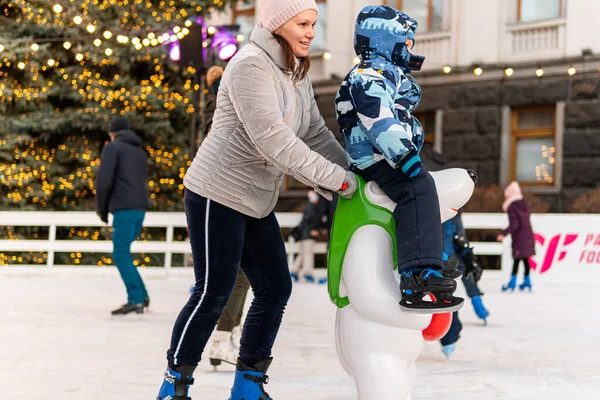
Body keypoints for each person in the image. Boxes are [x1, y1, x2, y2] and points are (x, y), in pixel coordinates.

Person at [156, 1, 357, 398]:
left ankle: (247, 385)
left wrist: (357, 172)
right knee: (214, 290)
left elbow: (314, 132)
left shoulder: (295, 70)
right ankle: (174, 385)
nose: (310, 32)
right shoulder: (250, 65)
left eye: (313, 24)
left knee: (275, 288)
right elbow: (275, 142)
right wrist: (340, 182)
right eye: (302, 23)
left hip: (256, 199)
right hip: (217, 192)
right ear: (278, 23)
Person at [334, 5, 462, 314]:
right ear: (384, 41)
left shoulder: (382, 73)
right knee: (417, 188)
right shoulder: (368, 76)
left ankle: (428, 258)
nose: (410, 50)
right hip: (376, 157)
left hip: (381, 155)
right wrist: (404, 155)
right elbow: (379, 120)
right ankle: (418, 272)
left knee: (422, 189)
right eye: (406, 43)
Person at [95, 116, 150, 315]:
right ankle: (142, 296)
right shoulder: (139, 151)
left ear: (112, 133)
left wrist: (101, 208)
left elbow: (104, 180)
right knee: (124, 253)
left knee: (120, 254)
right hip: (139, 208)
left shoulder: (113, 148)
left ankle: (135, 299)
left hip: (124, 208)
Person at [439, 210, 490, 358]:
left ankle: (449, 338)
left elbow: (459, 238)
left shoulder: (434, 204)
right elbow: (460, 238)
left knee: (445, 295)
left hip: (440, 260)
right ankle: (449, 338)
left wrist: (469, 258)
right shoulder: (453, 208)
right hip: (445, 260)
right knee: (446, 295)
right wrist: (468, 257)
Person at [498, 181, 536, 292]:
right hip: (528, 235)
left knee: (517, 259)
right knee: (525, 259)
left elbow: (515, 224)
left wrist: (503, 233)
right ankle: (527, 281)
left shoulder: (512, 206)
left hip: (520, 237)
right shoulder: (523, 203)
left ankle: (512, 282)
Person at [290, 190, 326, 284]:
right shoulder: (313, 208)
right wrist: (313, 230)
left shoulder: (309, 207)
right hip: (308, 235)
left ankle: (294, 271)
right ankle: (307, 273)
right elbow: (309, 220)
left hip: (303, 234)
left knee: (303, 253)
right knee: (308, 254)